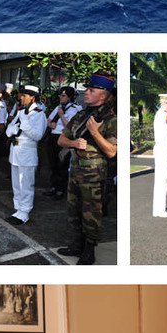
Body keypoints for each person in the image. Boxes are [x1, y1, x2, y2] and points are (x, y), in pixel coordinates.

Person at [58, 72, 117, 265]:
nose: (87, 92)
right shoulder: (81, 115)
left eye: (92, 90)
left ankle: (89, 250)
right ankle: (77, 245)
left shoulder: (111, 119)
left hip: (94, 172)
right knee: (73, 210)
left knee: (91, 213)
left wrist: (94, 133)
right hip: (75, 169)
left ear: (103, 94)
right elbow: (61, 139)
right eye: (88, 89)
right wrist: (74, 143)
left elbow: (112, 152)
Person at [5, 85, 47, 224]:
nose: (20, 98)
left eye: (24, 96)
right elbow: (9, 129)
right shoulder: (21, 111)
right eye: (21, 95)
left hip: (27, 152)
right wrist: (14, 128)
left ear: (32, 97)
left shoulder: (39, 113)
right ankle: (18, 209)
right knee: (16, 183)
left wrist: (24, 125)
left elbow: (38, 135)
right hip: (15, 151)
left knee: (26, 184)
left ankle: (25, 212)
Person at [45, 87, 79, 198]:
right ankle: (53, 186)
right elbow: (48, 120)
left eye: (63, 96)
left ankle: (61, 188)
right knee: (53, 162)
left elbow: (70, 126)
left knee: (62, 164)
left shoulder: (73, 109)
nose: (61, 97)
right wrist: (51, 124)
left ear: (69, 97)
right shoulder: (58, 107)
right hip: (53, 136)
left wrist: (62, 116)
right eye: (60, 95)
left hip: (64, 137)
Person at [152, 92, 167, 218]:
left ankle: (159, 209)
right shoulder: (162, 113)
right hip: (163, 149)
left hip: (164, 149)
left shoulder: (161, 113)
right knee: (162, 180)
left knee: (161, 180)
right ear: (166, 102)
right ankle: (160, 210)